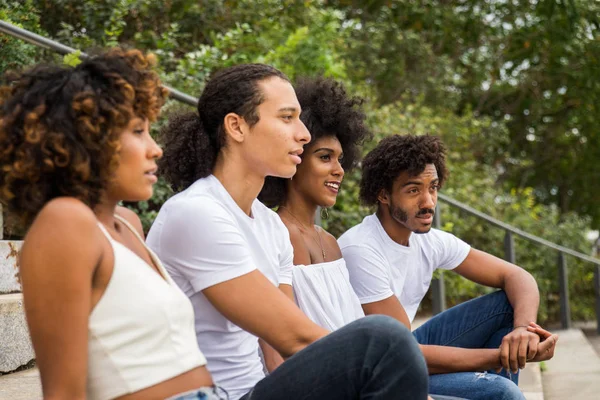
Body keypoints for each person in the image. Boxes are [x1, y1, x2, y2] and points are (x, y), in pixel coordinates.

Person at [147, 64, 429, 400]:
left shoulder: (269, 226)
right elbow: (294, 337)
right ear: (236, 126)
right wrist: (379, 366)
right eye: (286, 118)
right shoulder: (198, 212)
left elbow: (281, 351)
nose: (304, 134)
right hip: (219, 395)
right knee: (384, 339)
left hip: (262, 390)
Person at [0, 49, 220, 400]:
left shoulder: (127, 222)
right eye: (138, 131)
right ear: (86, 141)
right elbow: (63, 393)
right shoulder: (65, 222)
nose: (155, 149)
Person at [338, 134, 559, 400]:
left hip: (403, 349)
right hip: (376, 373)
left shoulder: (429, 241)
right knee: (501, 392)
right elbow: (400, 352)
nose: (428, 202)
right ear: (383, 195)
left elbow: (516, 276)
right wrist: (500, 357)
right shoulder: (361, 249)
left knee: (508, 309)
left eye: (432, 187)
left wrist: (523, 332)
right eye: (413, 190)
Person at [258, 77, 370, 332]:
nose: (339, 170)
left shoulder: (329, 241)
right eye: (325, 157)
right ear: (295, 158)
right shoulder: (284, 235)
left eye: (340, 159)